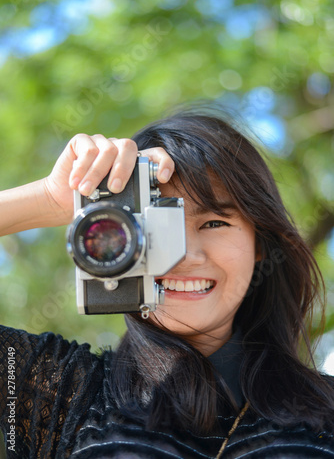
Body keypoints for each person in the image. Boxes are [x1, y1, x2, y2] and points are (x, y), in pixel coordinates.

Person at [0, 107, 334, 458]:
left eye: (215, 223)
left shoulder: (326, 408)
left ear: (260, 244)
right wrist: (49, 199)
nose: (185, 255)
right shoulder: (59, 391)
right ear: (120, 242)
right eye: (158, 227)